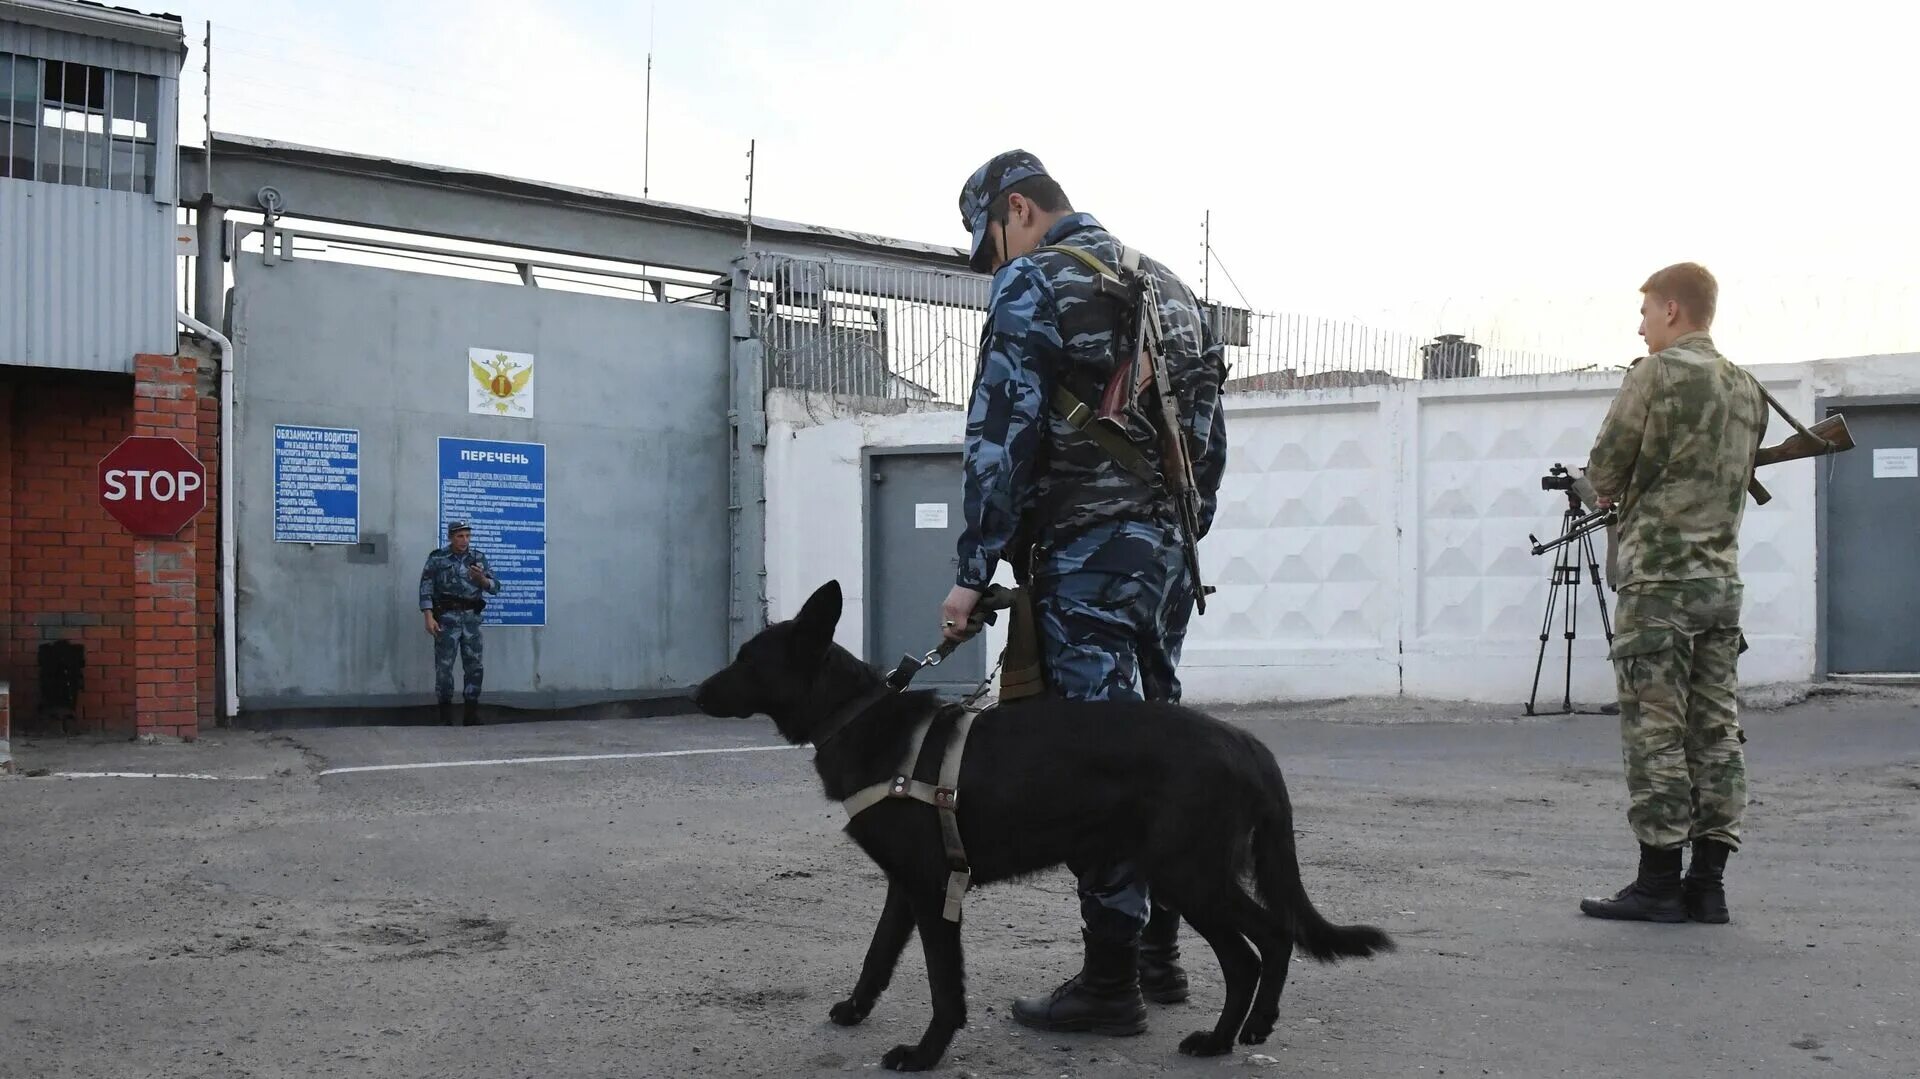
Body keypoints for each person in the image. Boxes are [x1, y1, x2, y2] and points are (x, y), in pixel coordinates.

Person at [939, 150, 1228, 1034]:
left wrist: (971, 570)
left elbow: (1002, 431)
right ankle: (1160, 954)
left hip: (1086, 559)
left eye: (990, 245)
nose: (995, 267)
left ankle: (1111, 983)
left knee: (1096, 761)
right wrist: (1176, 531)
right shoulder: (1173, 288)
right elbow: (1209, 439)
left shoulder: (1035, 281)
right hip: (1166, 558)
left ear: (1016, 210)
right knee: (1156, 745)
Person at [1578, 262, 1765, 924]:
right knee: (1716, 729)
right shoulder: (1747, 389)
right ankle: (1707, 885)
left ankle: (1658, 881)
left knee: (1656, 726)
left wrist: (1594, 487)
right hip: (1721, 585)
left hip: (1659, 583)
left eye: (1647, 311)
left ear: (1674, 312)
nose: (1641, 325)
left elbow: (1604, 468)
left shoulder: (1652, 375)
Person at [418, 520, 500, 727]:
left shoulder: (478, 558)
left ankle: (471, 714)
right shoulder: (438, 558)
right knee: (444, 668)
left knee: (474, 667)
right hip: (446, 619)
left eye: (467, 536)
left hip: (471, 619)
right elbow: (426, 588)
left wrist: (481, 580)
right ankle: (445, 715)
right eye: (459, 536)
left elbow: (495, 587)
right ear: (450, 537)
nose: (464, 540)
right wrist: (428, 616)